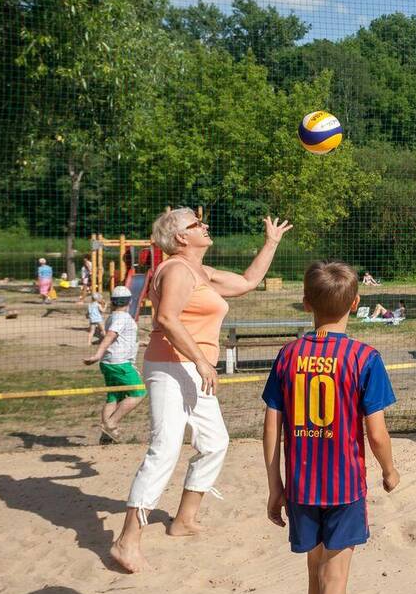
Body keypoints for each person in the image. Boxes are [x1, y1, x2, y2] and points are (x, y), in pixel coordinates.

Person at [110, 208, 292, 574]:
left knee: (215, 442)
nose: (205, 226)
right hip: (171, 366)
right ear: (180, 237)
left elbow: (246, 282)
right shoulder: (176, 269)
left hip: (193, 368)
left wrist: (270, 242)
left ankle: (184, 520)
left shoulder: (200, 271)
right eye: (196, 224)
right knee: (164, 448)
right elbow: (166, 319)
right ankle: (126, 540)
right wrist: (204, 362)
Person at [262, 260, 399, 594]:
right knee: (335, 580)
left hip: (301, 485)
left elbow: (271, 424)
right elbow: (376, 433)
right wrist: (390, 470)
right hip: (343, 487)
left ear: (306, 304)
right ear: (356, 305)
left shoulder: (289, 355)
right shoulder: (364, 357)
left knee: (314, 571)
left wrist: (274, 483)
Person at [83, 286, 147, 442]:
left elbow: (121, 339)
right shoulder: (123, 318)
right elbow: (110, 336)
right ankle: (111, 424)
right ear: (130, 301)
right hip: (120, 363)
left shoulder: (113, 317)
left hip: (108, 363)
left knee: (114, 397)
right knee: (139, 392)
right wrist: (97, 354)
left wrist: (140, 343)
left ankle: (106, 437)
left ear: (112, 302)